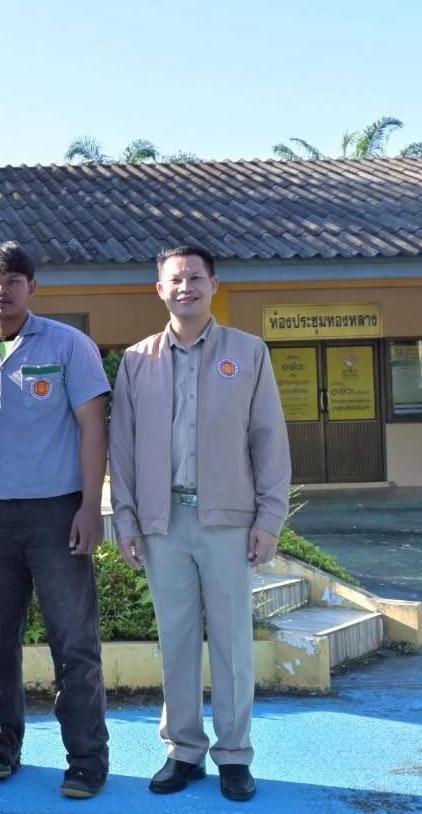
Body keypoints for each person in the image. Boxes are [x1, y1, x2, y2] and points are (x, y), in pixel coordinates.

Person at [109, 244, 291, 802]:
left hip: (227, 522)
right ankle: (183, 750)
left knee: (233, 643)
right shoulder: (137, 361)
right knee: (177, 641)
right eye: (175, 279)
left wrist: (269, 518)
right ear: (159, 290)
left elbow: (269, 439)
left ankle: (234, 754)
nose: (184, 286)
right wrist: (127, 521)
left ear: (214, 284)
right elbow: (122, 448)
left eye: (194, 277)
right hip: (163, 524)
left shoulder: (248, 352)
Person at [0, 242, 112, 800]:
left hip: (57, 512)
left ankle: (86, 758)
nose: (2, 290)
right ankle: (0, 745)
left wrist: (90, 506)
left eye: (14, 280)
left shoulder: (68, 345)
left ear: (32, 287)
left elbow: (92, 426)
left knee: (73, 642)